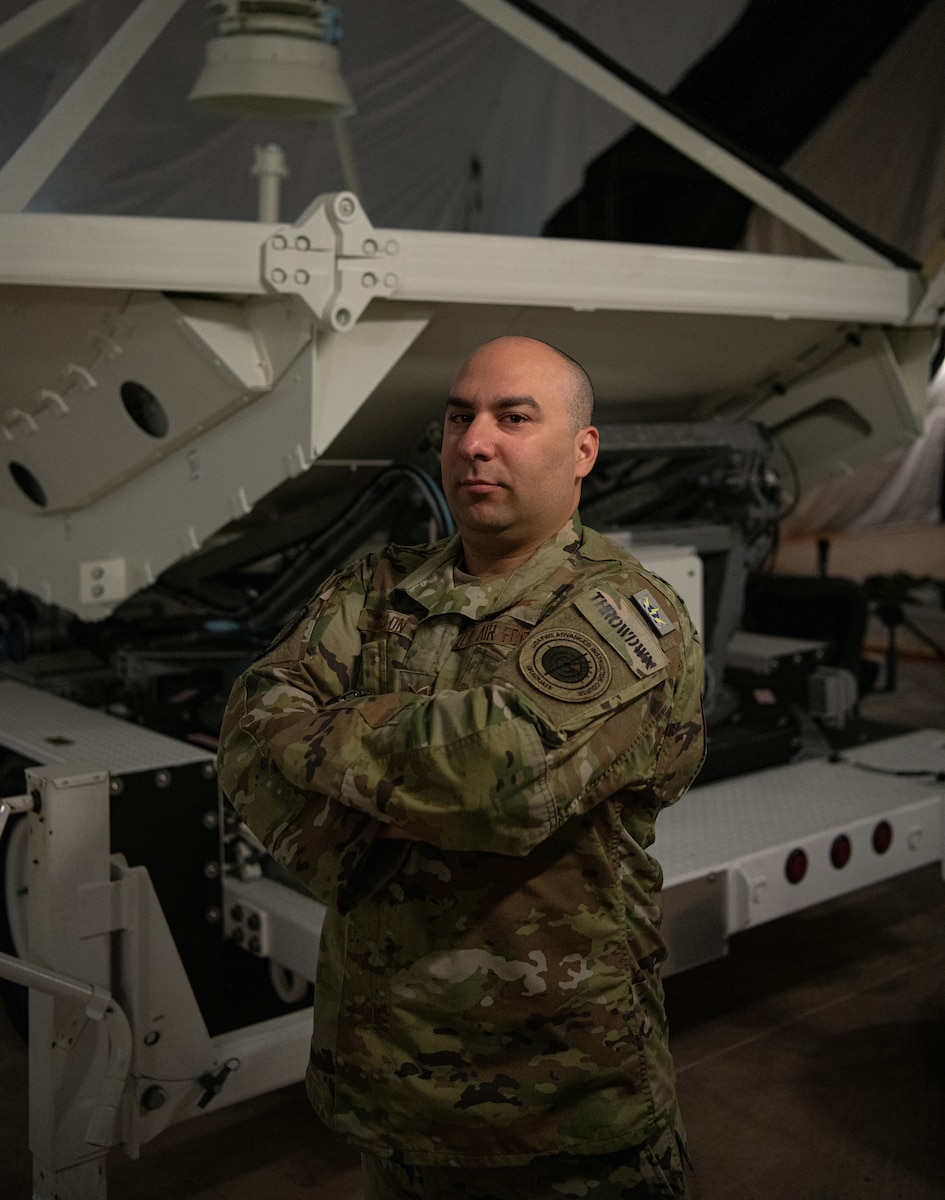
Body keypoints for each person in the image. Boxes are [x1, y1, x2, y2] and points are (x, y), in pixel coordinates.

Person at [217, 335, 705, 1199]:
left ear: (582, 449)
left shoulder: (624, 613)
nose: (474, 441)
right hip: (385, 1092)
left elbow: (500, 778)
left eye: (513, 418)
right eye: (458, 418)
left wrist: (333, 752)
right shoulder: (378, 587)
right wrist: (408, 781)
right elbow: (249, 732)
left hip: (560, 1114)